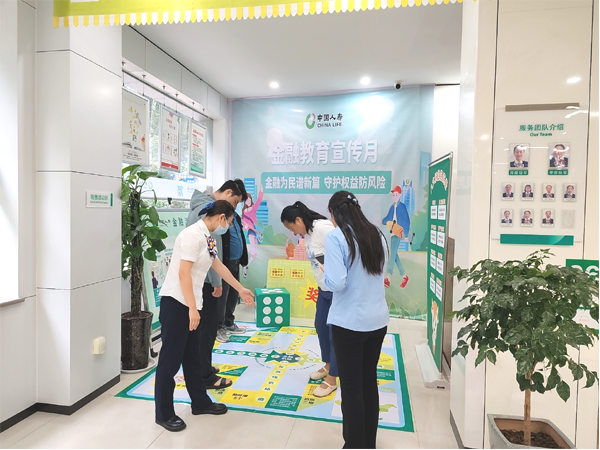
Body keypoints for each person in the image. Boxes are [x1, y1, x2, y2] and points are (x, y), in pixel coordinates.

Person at [155, 200, 255, 432]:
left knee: (193, 357)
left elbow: (217, 265)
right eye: (229, 222)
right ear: (221, 217)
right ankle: (164, 413)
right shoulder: (192, 236)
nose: (228, 226)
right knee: (170, 361)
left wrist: (240, 288)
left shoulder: (207, 236)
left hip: (191, 303)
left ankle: (200, 403)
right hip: (177, 303)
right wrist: (192, 308)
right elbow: (184, 273)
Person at [324, 190, 389, 449]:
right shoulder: (377, 234)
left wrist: (325, 271)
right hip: (377, 320)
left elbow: (336, 283)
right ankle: (367, 443)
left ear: (334, 213)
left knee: (351, 388)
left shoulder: (336, 237)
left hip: (349, 323)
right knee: (368, 382)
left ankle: (354, 445)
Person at [187, 179, 248, 392]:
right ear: (228, 192)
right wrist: (216, 282)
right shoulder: (207, 215)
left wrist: (238, 288)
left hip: (203, 279)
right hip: (204, 282)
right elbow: (210, 257)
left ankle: (203, 368)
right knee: (207, 330)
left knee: (204, 330)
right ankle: (204, 375)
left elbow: (213, 257)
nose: (234, 209)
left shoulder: (203, 212)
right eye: (235, 202)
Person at [281, 201, 337, 398]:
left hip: (337, 291)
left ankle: (333, 378)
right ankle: (328, 365)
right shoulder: (310, 233)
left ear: (298, 220)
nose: (293, 232)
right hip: (323, 289)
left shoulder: (323, 227)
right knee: (321, 326)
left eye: (291, 227)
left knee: (334, 333)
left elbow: (344, 250)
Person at [382, 185, 410, 289]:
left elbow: (406, 221)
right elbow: (388, 218)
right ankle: (404, 276)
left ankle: (388, 277)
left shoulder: (402, 207)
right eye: (393, 195)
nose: (394, 197)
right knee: (395, 254)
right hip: (392, 232)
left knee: (393, 252)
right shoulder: (392, 207)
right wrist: (382, 221)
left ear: (400, 195)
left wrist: (406, 234)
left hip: (399, 232)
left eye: (396, 195)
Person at [241, 186, 264, 278]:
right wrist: (245, 226)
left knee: (254, 254)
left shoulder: (254, 208)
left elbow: (259, 200)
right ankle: (245, 248)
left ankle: (246, 265)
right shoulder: (244, 212)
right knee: (253, 250)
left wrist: (261, 192)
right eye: (246, 200)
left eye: (249, 199)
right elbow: (244, 225)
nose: (248, 201)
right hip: (251, 231)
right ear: (244, 201)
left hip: (256, 231)